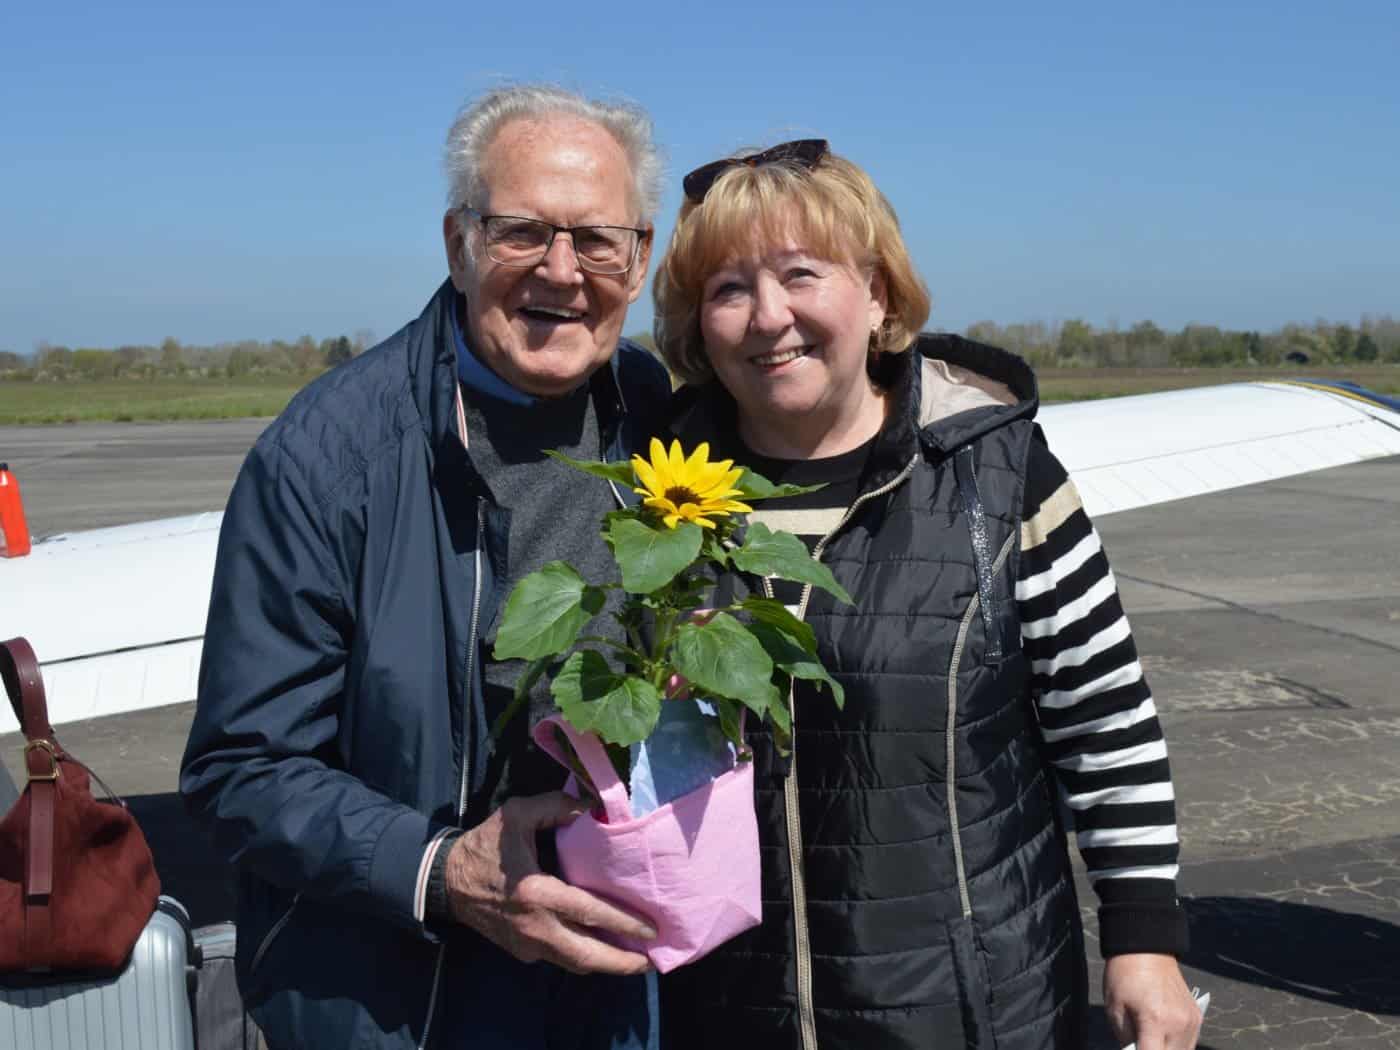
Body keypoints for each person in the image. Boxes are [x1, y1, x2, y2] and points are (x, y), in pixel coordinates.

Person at [651, 140, 1202, 1050]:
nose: (768, 316)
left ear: (877, 294)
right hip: (726, 1014)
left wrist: (1144, 942)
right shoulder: (651, 507)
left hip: (973, 1010)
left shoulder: (999, 476)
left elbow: (1105, 721)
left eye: (800, 273)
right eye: (728, 288)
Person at [180, 85, 672, 1050]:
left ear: (641, 258)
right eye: (523, 232)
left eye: (598, 240)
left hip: (626, 993)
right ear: (459, 244)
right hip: (409, 1003)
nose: (563, 272)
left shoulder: (658, 417)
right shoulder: (329, 456)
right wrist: (448, 873)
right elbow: (241, 764)